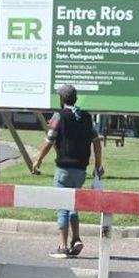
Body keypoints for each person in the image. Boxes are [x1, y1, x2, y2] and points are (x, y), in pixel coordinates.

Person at [30, 83, 103, 258]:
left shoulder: (59, 116)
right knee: (74, 204)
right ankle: (76, 238)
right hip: (81, 170)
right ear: (75, 98)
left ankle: (62, 246)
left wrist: (38, 160)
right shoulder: (86, 117)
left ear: (61, 99)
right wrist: (98, 165)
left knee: (62, 205)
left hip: (64, 168)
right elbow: (97, 141)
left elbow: (49, 140)